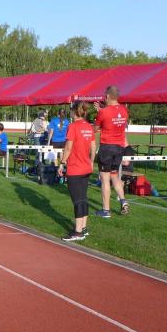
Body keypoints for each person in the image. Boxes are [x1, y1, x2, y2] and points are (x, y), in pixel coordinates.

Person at [58, 101, 96, 241]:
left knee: (77, 200)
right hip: (86, 167)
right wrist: (91, 162)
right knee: (83, 198)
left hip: (75, 168)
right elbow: (93, 147)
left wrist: (62, 163)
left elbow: (68, 148)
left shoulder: (73, 126)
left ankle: (78, 232)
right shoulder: (89, 127)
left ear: (74, 111)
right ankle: (84, 228)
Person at [93, 86, 130, 218]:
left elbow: (95, 129)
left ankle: (106, 210)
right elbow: (115, 121)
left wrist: (100, 112)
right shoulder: (124, 110)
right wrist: (102, 110)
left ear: (107, 96)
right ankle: (123, 201)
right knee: (114, 175)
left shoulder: (103, 112)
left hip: (107, 147)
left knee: (105, 179)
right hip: (119, 148)